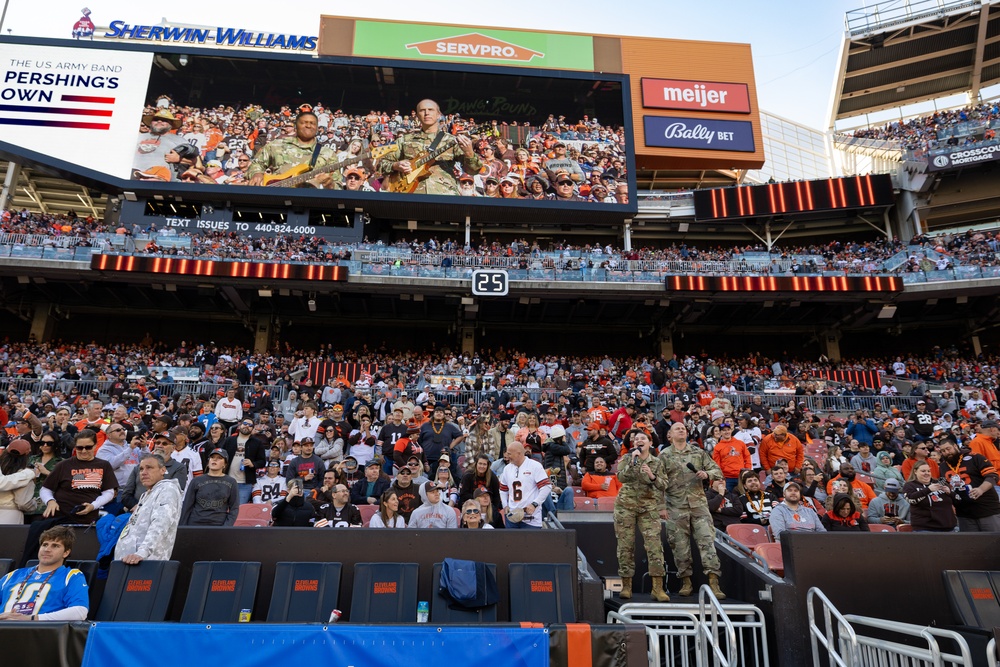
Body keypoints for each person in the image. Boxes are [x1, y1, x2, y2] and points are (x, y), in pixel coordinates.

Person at [21, 430, 118, 567]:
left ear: (96, 446)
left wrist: (93, 505)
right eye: (79, 448)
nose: (84, 451)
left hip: (87, 518)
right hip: (59, 516)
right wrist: (50, 501)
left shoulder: (104, 465)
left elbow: (109, 492)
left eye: (88, 447)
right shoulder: (63, 465)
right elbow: (46, 489)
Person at [660, 422, 726, 599]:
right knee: (680, 546)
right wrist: (661, 507)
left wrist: (707, 475)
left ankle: (714, 582)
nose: (681, 430)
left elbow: (717, 470)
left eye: (683, 428)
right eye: (677, 428)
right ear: (670, 435)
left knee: (707, 542)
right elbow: (658, 484)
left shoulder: (698, 452)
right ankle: (686, 581)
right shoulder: (664, 455)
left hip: (699, 506)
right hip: (675, 506)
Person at [377, 99, 482, 195]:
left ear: (438, 115)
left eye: (431, 110)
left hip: (443, 196)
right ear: (417, 116)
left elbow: (473, 170)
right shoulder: (404, 140)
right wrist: (395, 165)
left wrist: (469, 153)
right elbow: (381, 164)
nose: (427, 113)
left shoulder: (451, 140)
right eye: (422, 110)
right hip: (410, 195)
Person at [613, 430, 670, 601]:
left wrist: (652, 476)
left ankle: (657, 588)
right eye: (636, 439)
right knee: (625, 546)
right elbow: (621, 478)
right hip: (625, 507)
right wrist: (632, 462)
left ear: (649, 443)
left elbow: (664, 485)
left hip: (648, 507)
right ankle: (626, 586)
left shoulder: (657, 462)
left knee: (654, 547)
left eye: (642, 438)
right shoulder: (626, 459)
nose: (639, 440)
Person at [0, 526, 88, 621]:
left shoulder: (71, 576)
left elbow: (80, 612)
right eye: (45, 545)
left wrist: (33, 618)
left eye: (55, 546)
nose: (47, 549)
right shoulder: (14, 575)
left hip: (39, 632)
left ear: (66, 553)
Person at [114, 453, 183, 563]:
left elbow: (160, 524)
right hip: (130, 561)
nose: (144, 472)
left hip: (145, 563)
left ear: (162, 470)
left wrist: (142, 553)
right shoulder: (146, 494)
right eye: (141, 469)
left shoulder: (167, 489)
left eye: (149, 468)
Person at [247, 111, 339, 188]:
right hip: (278, 197)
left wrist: (330, 185)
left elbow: (338, 186)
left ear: (317, 128)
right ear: (295, 126)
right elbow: (257, 163)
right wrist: (257, 173)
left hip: (311, 202)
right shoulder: (276, 145)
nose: (308, 126)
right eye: (304, 122)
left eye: (312, 123)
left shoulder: (328, 153)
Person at [937, 436, 1000, 532]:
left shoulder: (975, 457)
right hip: (963, 512)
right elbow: (943, 483)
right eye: (943, 451)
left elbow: (993, 476)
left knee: (993, 542)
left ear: (955, 446)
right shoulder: (943, 466)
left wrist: (981, 489)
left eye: (948, 449)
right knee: (970, 545)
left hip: (986, 509)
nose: (946, 452)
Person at [180, 448, 239, 526]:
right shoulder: (196, 480)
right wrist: (182, 527)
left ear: (225, 464)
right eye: (212, 457)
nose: (214, 460)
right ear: (208, 462)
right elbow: (187, 505)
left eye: (219, 458)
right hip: (195, 523)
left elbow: (234, 508)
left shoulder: (231, 482)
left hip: (219, 524)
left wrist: (226, 527)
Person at [498, 442, 550, 529]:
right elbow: (503, 489)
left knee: (530, 542)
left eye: (509, 454)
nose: (507, 456)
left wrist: (534, 504)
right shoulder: (507, 468)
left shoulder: (534, 466)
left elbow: (546, 487)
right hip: (512, 516)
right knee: (511, 542)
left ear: (518, 453)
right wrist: (505, 505)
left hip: (531, 518)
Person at [902, 460, 959, 532]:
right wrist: (928, 490)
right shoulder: (910, 485)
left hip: (948, 527)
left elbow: (958, 500)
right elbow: (911, 499)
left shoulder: (940, 483)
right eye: (923, 471)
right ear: (915, 471)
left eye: (928, 471)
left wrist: (950, 493)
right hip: (925, 528)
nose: (927, 473)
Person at [0, 439, 39, 524]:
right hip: (11, 515)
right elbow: (23, 503)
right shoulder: (25, 473)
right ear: (27, 455)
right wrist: (35, 503)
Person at [711, 423, 752, 491]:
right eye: (724, 430)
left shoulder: (740, 443)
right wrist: (720, 477)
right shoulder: (717, 447)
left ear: (731, 430)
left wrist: (747, 471)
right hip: (727, 478)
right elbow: (716, 464)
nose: (727, 432)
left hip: (741, 476)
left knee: (744, 497)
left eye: (728, 430)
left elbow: (747, 457)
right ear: (720, 432)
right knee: (729, 499)